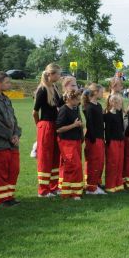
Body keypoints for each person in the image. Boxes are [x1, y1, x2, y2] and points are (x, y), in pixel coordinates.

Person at [0, 72, 22, 206]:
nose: (9, 84)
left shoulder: (6, 99)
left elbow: (14, 119)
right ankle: (1, 199)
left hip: (12, 142)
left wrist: (17, 134)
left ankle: (9, 196)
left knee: (13, 169)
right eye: (7, 82)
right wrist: (10, 136)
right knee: (0, 171)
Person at [33, 64, 62, 197]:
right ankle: (43, 190)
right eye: (58, 74)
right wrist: (39, 126)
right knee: (45, 157)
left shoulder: (55, 88)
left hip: (55, 125)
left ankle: (53, 186)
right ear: (51, 74)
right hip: (46, 125)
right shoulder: (42, 90)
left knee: (56, 155)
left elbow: (60, 105)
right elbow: (35, 112)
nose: (59, 76)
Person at [55, 88, 85, 200]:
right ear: (69, 99)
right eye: (77, 99)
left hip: (76, 140)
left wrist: (80, 127)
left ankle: (72, 191)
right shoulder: (64, 110)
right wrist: (74, 125)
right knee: (74, 165)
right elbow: (58, 129)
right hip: (66, 142)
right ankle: (72, 193)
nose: (79, 101)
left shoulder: (75, 108)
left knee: (74, 166)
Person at [82, 85, 105, 195]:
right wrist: (93, 139)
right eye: (101, 92)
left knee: (100, 162)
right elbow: (90, 124)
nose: (102, 94)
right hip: (93, 139)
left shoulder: (99, 105)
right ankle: (91, 188)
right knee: (94, 162)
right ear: (95, 92)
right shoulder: (89, 107)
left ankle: (96, 184)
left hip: (100, 137)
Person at [103, 93, 125, 193]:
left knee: (120, 162)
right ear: (113, 103)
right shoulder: (108, 115)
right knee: (113, 163)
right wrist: (108, 142)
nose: (121, 104)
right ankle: (110, 185)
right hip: (112, 142)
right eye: (119, 103)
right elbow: (107, 130)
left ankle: (118, 183)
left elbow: (121, 127)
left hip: (120, 140)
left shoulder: (119, 113)